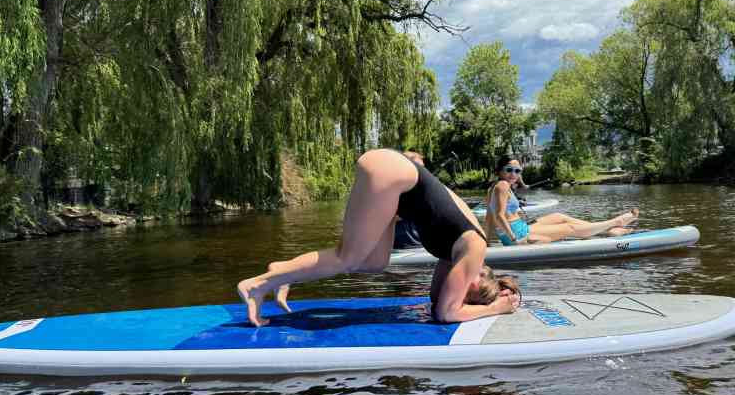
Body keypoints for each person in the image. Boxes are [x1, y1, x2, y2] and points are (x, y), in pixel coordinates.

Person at [237, 149, 520, 327]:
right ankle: (257, 286)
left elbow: (439, 302)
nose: (462, 286)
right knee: (347, 257)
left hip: (395, 186)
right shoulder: (475, 248)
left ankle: (283, 272)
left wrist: (464, 305)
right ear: (483, 272)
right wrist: (495, 308)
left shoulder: (454, 254)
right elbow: (447, 313)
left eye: (466, 295)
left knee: (373, 263)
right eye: (474, 285)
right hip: (392, 172)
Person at [486, 156, 638, 246]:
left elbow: (488, 218)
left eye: (517, 171)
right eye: (509, 170)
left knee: (559, 217)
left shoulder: (494, 187)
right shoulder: (503, 185)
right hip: (517, 233)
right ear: (500, 171)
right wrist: (514, 240)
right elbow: (498, 216)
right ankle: (616, 222)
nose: (514, 174)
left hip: (519, 227)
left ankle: (609, 231)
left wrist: (485, 242)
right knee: (569, 228)